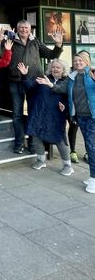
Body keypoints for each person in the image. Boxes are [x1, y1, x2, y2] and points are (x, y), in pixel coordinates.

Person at [7, 20, 63, 154]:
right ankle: (19, 143)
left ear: (30, 29)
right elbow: (2, 57)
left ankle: (33, 144)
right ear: (17, 29)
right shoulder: (10, 42)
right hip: (16, 82)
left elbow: (51, 55)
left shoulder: (36, 42)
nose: (24, 30)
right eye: (21, 28)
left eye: (26, 28)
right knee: (17, 114)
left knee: (33, 113)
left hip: (34, 82)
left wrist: (58, 44)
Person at [17, 60, 73, 175]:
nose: (55, 69)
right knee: (36, 136)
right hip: (40, 112)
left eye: (58, 67)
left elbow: (66, 93)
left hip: (56, 115)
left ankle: (67, 165)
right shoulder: (44, 78)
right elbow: (30, 86)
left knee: (60, 139)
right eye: (53, 67)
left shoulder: (67, 81)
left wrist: (65, 106)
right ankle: (41, 160)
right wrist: (24, 75)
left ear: (63, 70)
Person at [51, 51, 95, 193]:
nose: (77, 63)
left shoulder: (92, 73)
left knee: (92, 147)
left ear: (87, 61)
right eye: (75, 61)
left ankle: (94, 179)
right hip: (80, 117)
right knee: (90, 148)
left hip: (92, 116)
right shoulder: (72, 77)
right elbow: (61, 89)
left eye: (80, 60)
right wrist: (49, 83)